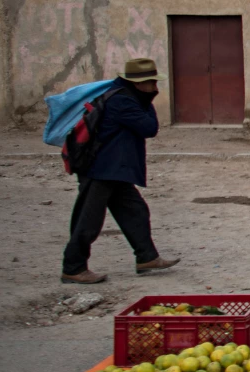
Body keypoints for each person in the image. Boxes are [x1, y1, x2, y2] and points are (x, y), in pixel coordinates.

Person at [61, 58, 179, 284]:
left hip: (114, 170)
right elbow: (149, 128)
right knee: (88, 221)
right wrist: (149, 101)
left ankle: (147, 257)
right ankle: (73, 267)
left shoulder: (124, 96)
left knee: (135, 212)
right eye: (151, 82)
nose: (155, 87)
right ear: (137, 83)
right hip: (100, 170)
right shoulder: (122, 101)